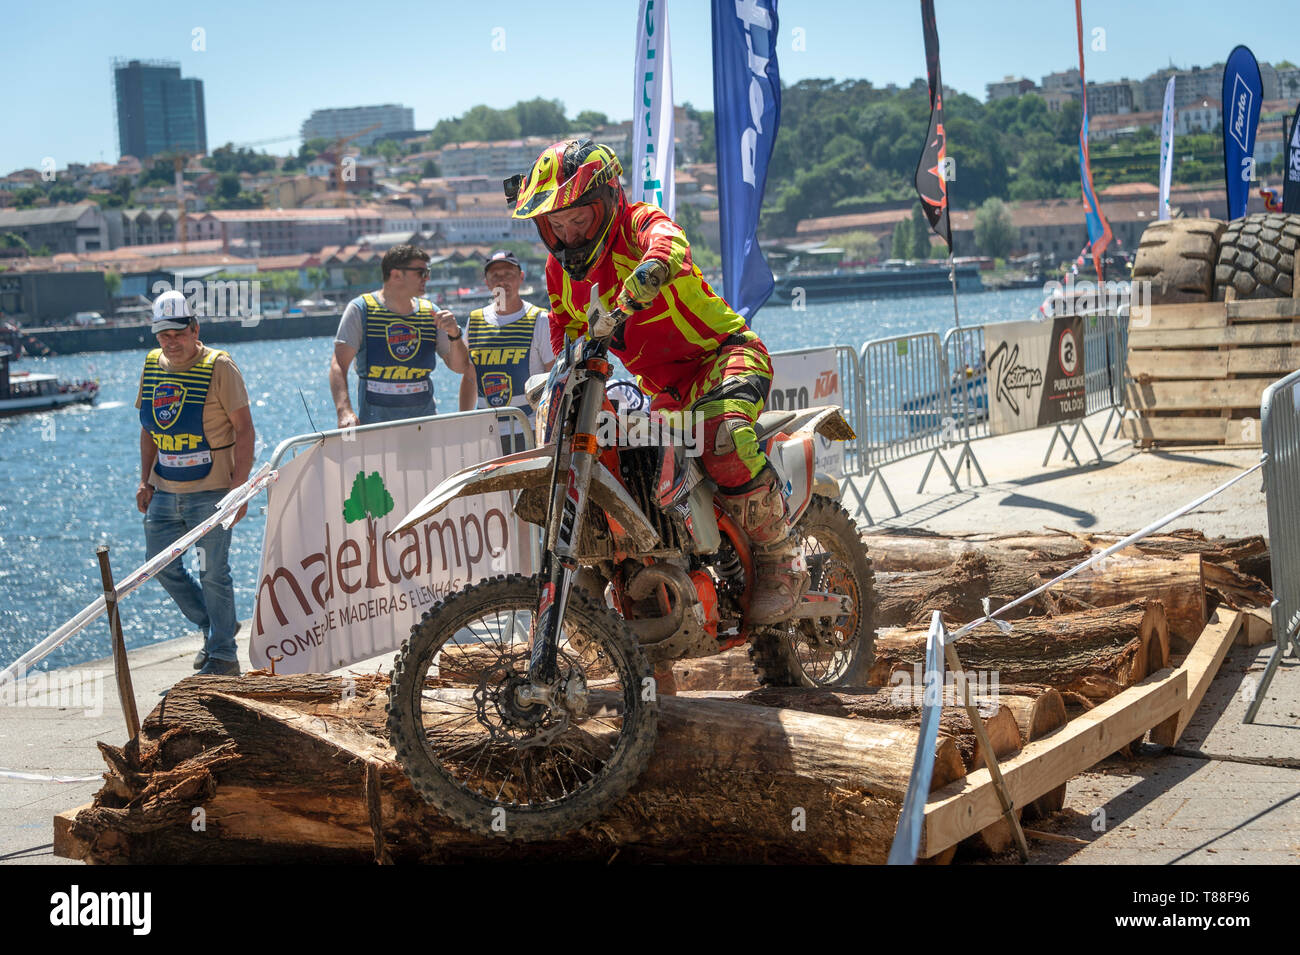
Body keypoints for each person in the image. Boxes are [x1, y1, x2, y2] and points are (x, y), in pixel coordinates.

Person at [511, 139, 805, 624]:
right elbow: (567, 332)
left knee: (724, 437)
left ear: (606, 202)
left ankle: (779, 553)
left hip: (725, 356)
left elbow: (670, 243)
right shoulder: (559, 272)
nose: (568, 235)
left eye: (578, 220)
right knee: (633, 468)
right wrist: (566, 378)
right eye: (555, 225)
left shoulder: (638, 223)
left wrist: (645, 277)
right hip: (665, 391)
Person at [135, 290, 255, 676]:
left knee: (213, 571)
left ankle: (222, 654)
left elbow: (245, 430)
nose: (171, 342)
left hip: (212, 492)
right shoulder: (153, 364)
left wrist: (239, 490)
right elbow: (149, 430)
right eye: (163, 336)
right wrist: (143, 481)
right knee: (158, 566)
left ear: (194, 328)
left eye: (178, 333)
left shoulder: (220, 366)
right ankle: (215, 623)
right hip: (165, 491)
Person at [330, 244, 470, 427]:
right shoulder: (361, 310)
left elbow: (460, 367)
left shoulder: (431, 313)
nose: (426, 277)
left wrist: (455, 335)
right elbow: (338, 365)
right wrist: (344, 411)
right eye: (420, 272)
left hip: (424, 427)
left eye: (427, 271)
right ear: (396, 275)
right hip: (376, 428)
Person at [457, 249, 555, 453]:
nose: (502, 281)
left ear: (521, 277)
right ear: (486, 282)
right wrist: (463, 425)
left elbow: (552, 376)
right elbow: (469, 376)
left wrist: (551, 429)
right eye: (495, 276)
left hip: (529, 429)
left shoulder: (540, 319)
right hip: (486, 431)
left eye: (508, 274)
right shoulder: (475, 320)